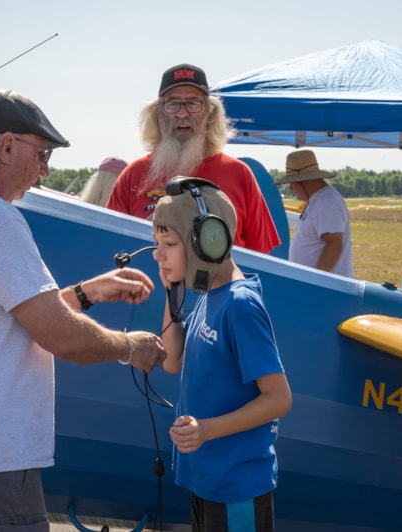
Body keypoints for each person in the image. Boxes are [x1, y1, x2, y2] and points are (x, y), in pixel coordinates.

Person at [0, 88, 166, 531]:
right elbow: (60, 336)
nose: (43, 173)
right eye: (41, 155)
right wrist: (130, 346)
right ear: (6, 146)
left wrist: (87, 292)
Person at [151, 176, 293, 532]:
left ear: (209, 242)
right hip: (207, 479)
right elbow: (172, 361)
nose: (158, 254)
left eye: (168, 243)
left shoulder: (240, 305)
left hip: (236, 487)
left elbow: (278, 399)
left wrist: (206, 430)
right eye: (156, 243)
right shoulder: (208, 296)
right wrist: (172, 295)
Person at [106, 63, 281, 255]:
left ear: (209, 112)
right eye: (172, 104)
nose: (182, 114)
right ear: (158, 113)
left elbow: (260, 256)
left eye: (192, 103)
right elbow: (111, 245)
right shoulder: (134, 174)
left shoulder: (239, 174)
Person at [276, 149, 354, 278]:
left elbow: (334, 244)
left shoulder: (326, 202)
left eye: (292, 182)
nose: (290, 187)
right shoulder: (319, 199)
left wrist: (316, 280)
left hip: (326, 291)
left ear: (304, 181)